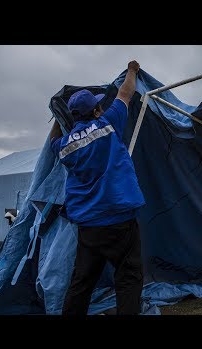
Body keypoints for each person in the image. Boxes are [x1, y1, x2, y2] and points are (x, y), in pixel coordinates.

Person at [49, 60, 146, 315]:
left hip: (89, 226)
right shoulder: (108, 123)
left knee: (82, 282)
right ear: (95, 112)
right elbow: (126, 93)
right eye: (98, 106)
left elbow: (53, 141)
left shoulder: (64, 146)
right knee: (128, 279)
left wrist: (58, 117)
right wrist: (132, 70)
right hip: (120, 220)